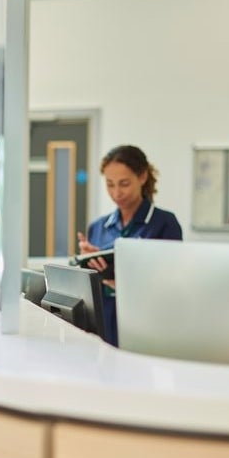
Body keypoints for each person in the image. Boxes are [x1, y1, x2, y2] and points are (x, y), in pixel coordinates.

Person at [76, 145, 182, 346]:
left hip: (145, 326)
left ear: (142, 177)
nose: (116, 193)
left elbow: (170, 284)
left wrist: (123, 282)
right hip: (102, 327)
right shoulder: (97, 227)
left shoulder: (164, 224)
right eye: (110, 184)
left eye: (124, 183)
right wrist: (85, 264)